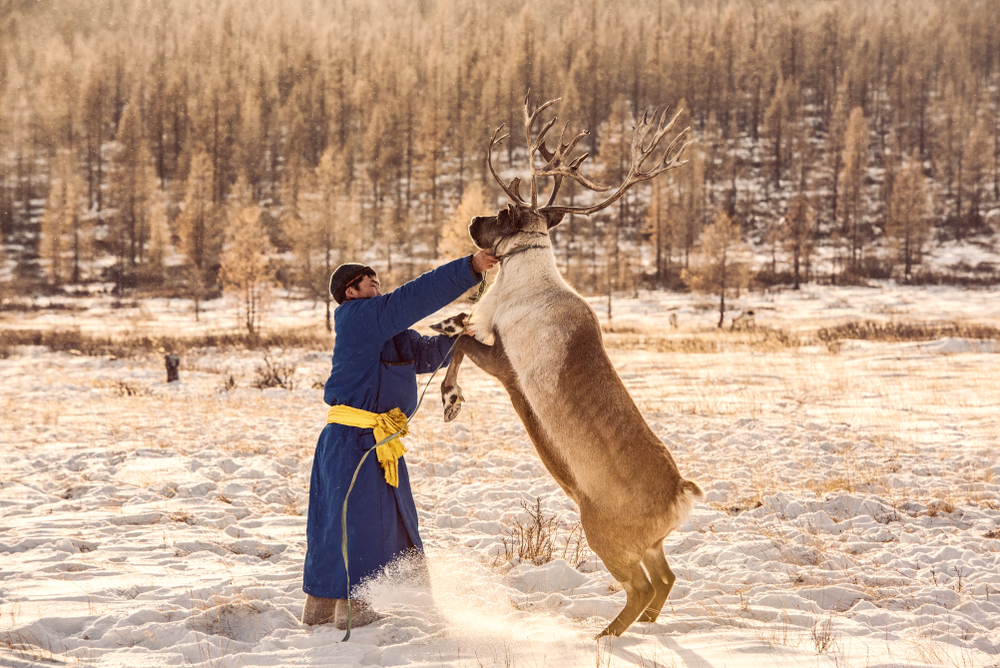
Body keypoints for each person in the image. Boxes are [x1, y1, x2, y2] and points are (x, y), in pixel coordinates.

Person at [302, 250, 498, 629]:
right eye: (370, 282)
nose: (378, 286)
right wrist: (469, 268)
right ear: (350, 292)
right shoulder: (360, 317)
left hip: (375, 443)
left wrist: (458, 334)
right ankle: (352, 616)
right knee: (359, 527)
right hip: (353, 442)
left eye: (378, 282)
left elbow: (425, 355)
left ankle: (322, 613)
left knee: (360, 525)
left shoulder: (385, 331)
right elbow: (413, 297)